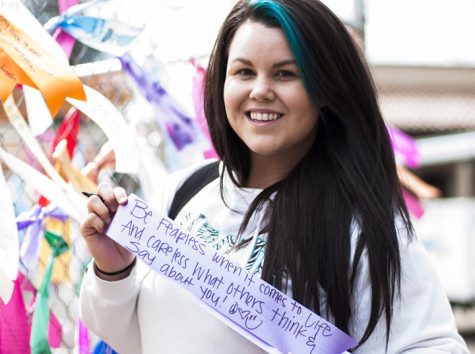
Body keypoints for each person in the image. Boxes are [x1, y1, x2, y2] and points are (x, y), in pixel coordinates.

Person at [79, 0, 468, 353]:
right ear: (221, 83)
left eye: (285, 74)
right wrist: (114, 271)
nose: (260, 91)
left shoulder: (364, 223)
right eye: (244, 72)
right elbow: (135, 339)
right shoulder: (181, 192)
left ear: (325, 90)